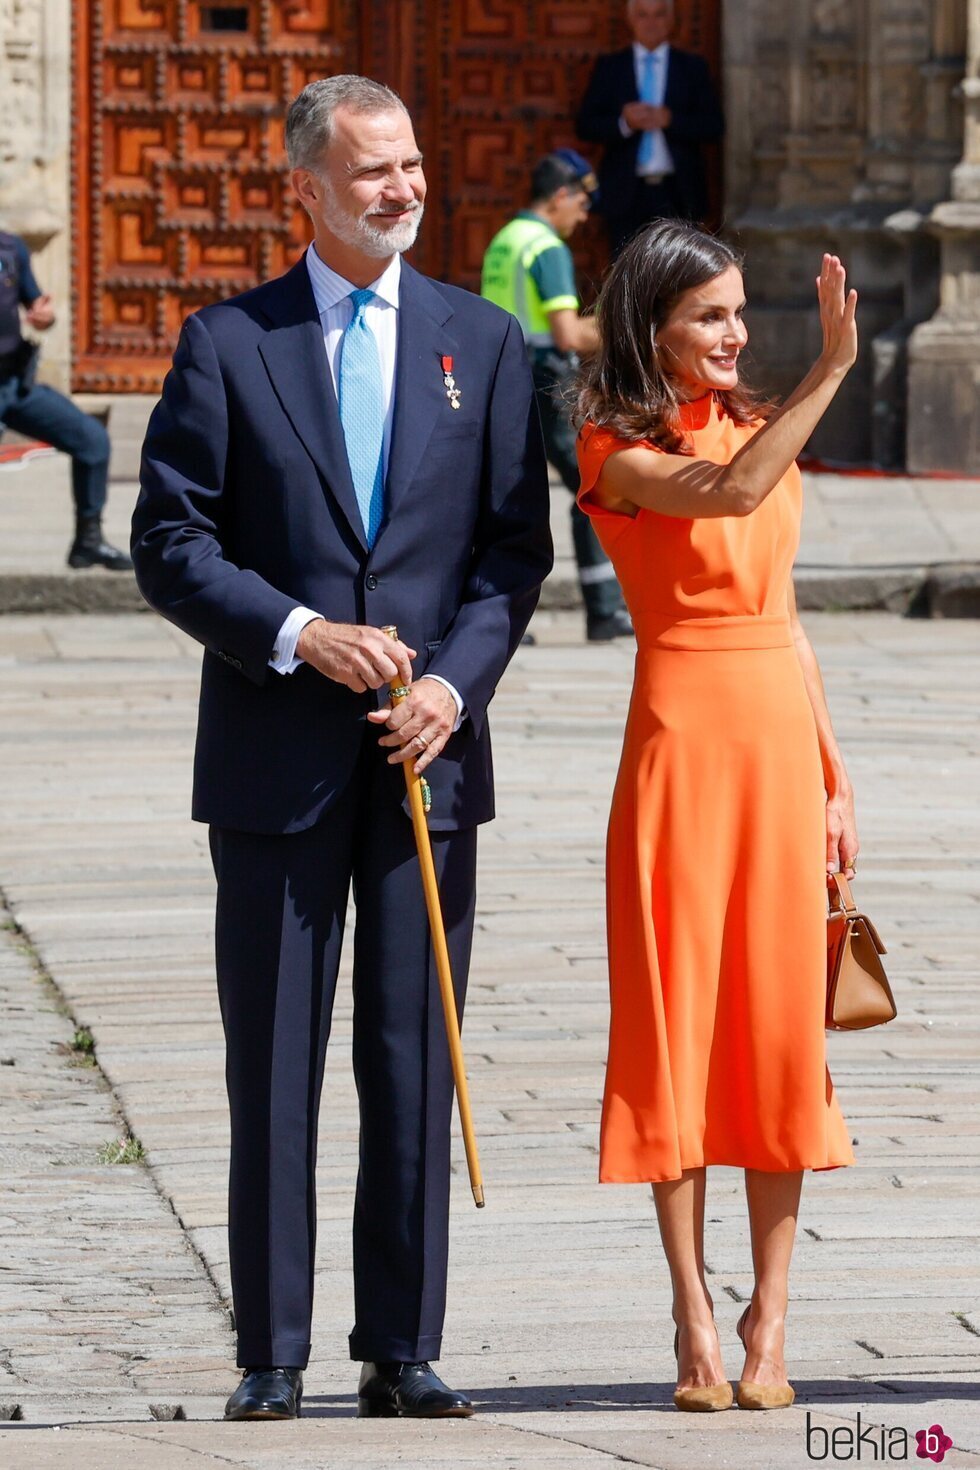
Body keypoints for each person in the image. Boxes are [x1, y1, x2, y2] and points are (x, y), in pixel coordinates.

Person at [132, 75, 552, 1423]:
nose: (404, 190)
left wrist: (459, 688)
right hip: (276, 764)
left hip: (425, 758)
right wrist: (300, 630)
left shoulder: (480, 342)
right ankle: (274, 1348)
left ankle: (402, 1344)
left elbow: (510, 552)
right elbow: (172, 541)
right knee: (276, 1058)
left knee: (412, 1051)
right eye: (373, 172)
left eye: (415, 166)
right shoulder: (226, 343)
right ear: (304, 188)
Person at [573, 221, 859, 1412]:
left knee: (778, 1037)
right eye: (708, 316)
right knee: (675, 1034)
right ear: (652, 328)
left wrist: (834, 777)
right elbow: (732, 498)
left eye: (740, 312)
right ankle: (692, 1315)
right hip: (679, 752)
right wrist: (830, 369)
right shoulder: (612, 447)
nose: (733, 334)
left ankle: (769, 1318)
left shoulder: (758, 429)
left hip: (776, 751)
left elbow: (786, 617)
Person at [480, 150, 630, 641]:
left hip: (504, 375)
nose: (584, 215)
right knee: (594, 487)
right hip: (547, 378)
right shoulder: (546, 246)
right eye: (583, 203)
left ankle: (495, 608)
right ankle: (604, 610)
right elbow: (567, 333)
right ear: (561, 196)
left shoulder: (505, 240)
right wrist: (624, 328)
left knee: (506, 495)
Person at [0, 229, 131, 570]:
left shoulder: (11, 248)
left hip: (15, 386)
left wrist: (45, 317)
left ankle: (88, 542)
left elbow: (38, 307)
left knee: (92, 440)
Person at [576, 0, 724, 256]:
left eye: (658, 15)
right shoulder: (611, 68)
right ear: (631, 20)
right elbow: (586, 125)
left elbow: (714, 126)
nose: (651, 23)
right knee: (626, 273)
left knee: (677, 273)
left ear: (671, 21)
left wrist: (671, 120)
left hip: (677, 193)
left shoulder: (692, 67)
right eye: (643, 15)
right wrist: (624, 123)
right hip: (625, 194)